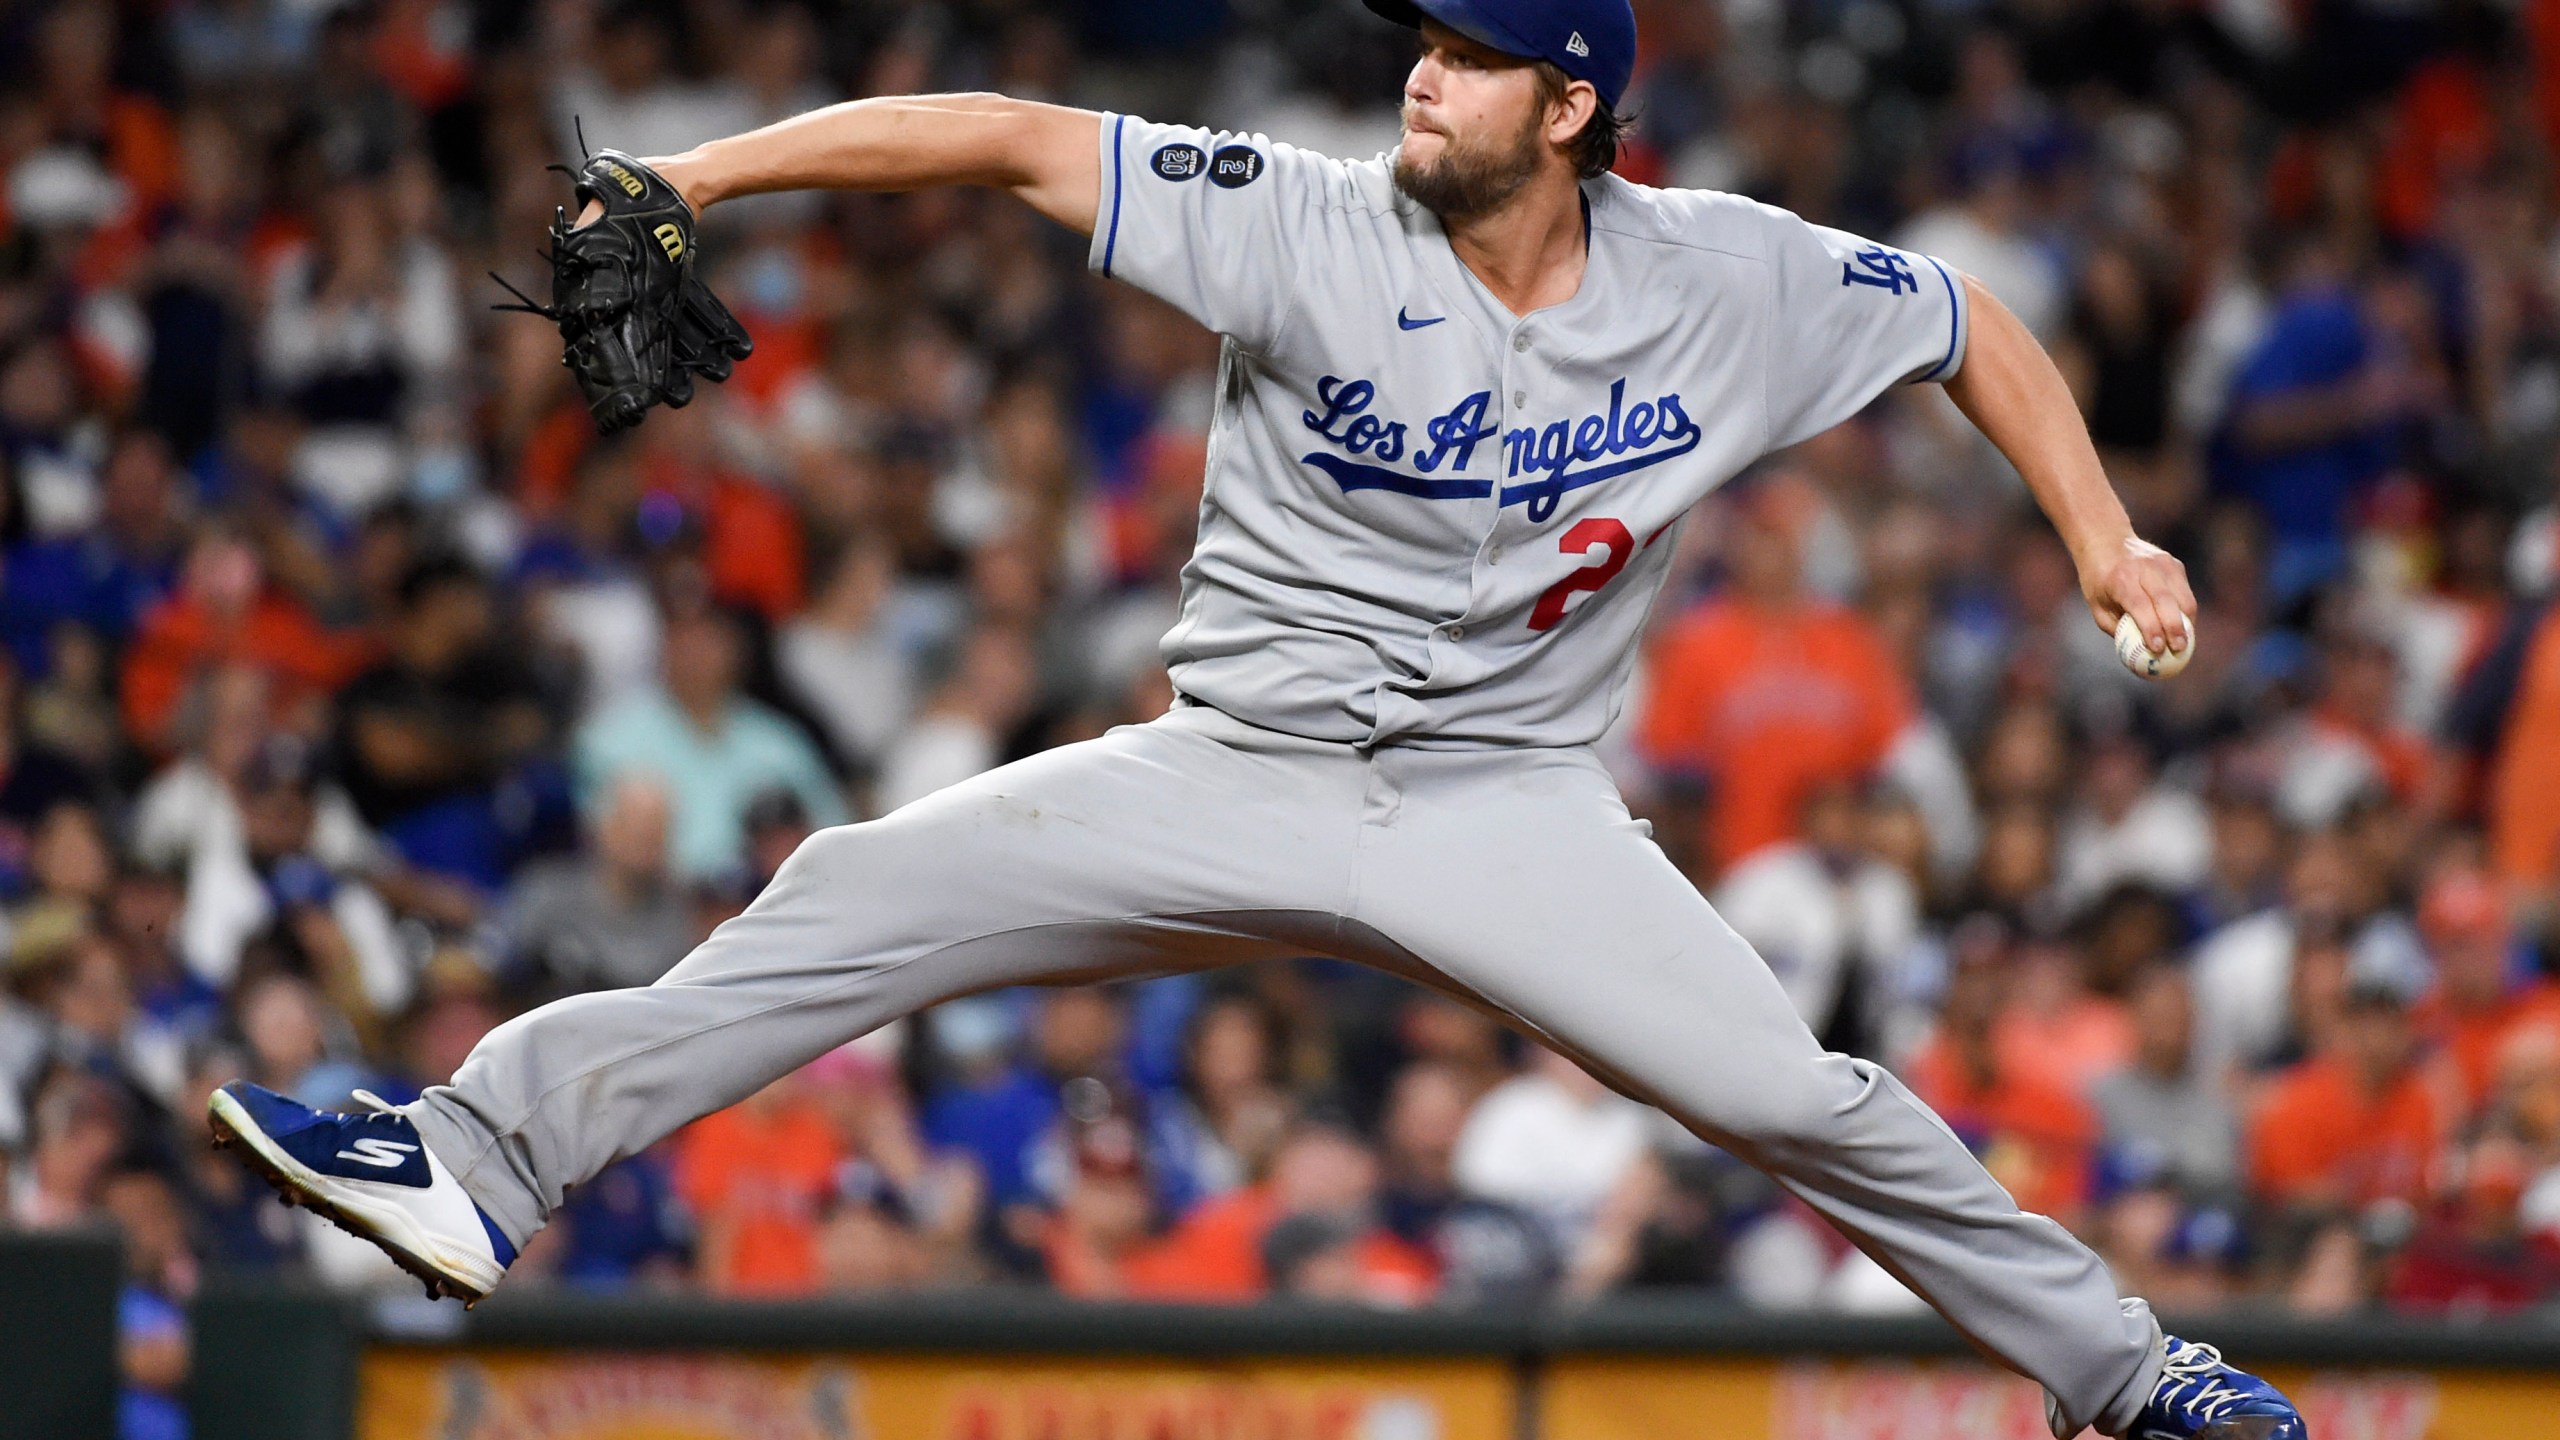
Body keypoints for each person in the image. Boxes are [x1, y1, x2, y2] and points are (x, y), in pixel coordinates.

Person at [207, 3, 2299, 1435]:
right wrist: (699, 169)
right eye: (1422, 36)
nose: (1421, 71)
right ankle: (478, 1158)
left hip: (1509, 807)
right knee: (850, 891)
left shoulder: (1724, 279)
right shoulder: (1300, 215)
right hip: (1232, 770)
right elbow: (1004, 138)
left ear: (1568, 106)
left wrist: (2103, 537)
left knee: (1800, 1098)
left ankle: (2132, 1383)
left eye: (1472, 50)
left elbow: (1963, 323)